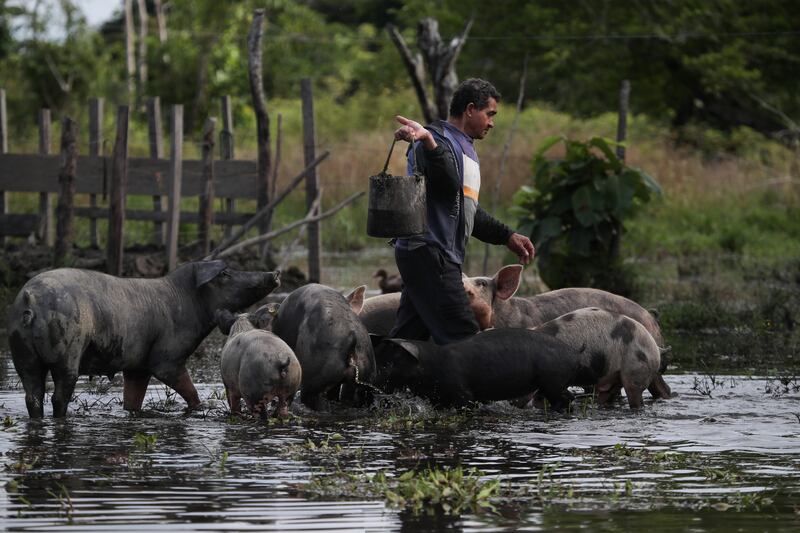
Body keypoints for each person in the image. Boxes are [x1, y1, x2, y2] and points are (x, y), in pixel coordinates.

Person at [388, 78, 535, 345]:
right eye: (489, 114)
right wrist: (430, 143)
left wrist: (507, 236)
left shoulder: (464, 148)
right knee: (464, 338)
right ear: (470, 109)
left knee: (407, 340)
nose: (492, 123)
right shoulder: (432, 141)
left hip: (431, 256)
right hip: (431, 252)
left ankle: (372, 384)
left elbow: (467, 211)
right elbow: (448, 184)